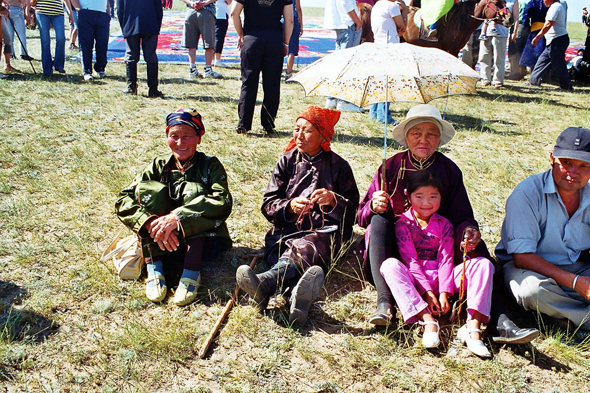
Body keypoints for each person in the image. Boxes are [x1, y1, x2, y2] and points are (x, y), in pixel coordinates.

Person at [357, 104, 539, 344]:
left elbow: (462, 214)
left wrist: (469, 231)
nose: (423, 140)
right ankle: (385, 303)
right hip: (398, 248)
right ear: (406, 137)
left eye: (431, 133)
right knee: (378, 222)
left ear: (439, 138)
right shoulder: (390, 167)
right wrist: (373, 205)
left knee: (478, 249)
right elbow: (360, 216)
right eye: (416, 133)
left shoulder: (449, 170)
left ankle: (498, 320)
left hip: (440, 243)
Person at [236, 106, 360, 324]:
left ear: (323, 135)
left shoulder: (339, 166)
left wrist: (333, 200)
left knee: (308, 245)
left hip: (324, 234)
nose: (299, 135)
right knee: (283, 250)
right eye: (296, 129)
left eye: (307, 130)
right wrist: (289, 206)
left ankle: (266, 283)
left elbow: (354, 212)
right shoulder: (286, 161)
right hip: (286, 230)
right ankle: (295, 296)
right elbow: (268, 204)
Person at [115, 109, 233, 306]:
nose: (180, 142)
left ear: (199, 138)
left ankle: (191, 273)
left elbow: (223, 201)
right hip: (160, 242)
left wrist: (178, 218)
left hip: (203, 244)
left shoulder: (210, 165)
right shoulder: (159, 165)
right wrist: (152, 222)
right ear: (167, 136)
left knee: (195, 192)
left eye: (187, 136)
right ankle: (155, 267)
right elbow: (123, 199)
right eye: (174, 136)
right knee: (150, 190)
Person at [381, 170, 494, 356]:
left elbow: (446, 259)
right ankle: (427, 319)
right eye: (419, 196)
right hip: (416, 281)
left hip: (443, 278)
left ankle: (473, 328)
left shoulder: (445, 224)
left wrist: (443, 293)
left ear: (442, 197)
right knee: (389, 265)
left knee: (483, 264)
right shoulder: (402, 224)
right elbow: (411, 262)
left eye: (433, 196)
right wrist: (427, 294)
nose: (426, 203)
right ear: (408, 196)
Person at [497, 127, 590, 333]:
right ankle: (581, 318)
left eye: (583, 165)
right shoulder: (527, 193)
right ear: (552, 158)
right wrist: (575, 283)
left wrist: (579, 279)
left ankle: (562, 316)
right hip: (530, 270)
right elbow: (522, 257)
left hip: (578, 267)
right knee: (533, 291)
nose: (573, 173)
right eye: (566, 163)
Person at [231, 0, 293, 134]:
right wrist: (285, 43)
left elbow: (234, 13)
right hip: (274, 39)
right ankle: (268, 123)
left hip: (252, 38)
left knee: (248, 83)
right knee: (272, 83)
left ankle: (244, 124)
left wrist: (241, 34)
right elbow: (289, 20)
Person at [367, 0, 406, 125]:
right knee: (388, 82)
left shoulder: (378, 5)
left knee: (379, 81)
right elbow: (402, 25)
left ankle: (374, 112)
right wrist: (404, 9)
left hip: (379, 44)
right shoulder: (392, 6)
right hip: (390, 47)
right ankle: (384, 115)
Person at [116, 0, 163, 97]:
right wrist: (156, 26)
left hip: (130, 23)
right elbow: (159, 8)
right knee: (151, 56)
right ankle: (153, 89)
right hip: (150, 23)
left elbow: (120, 10)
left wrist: (124, 27)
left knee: (131, 55)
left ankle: (131, 87)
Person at [323, 0, 362, 112]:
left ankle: (332, 98)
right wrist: (357, 22)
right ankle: (343, 100)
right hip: (347, 24)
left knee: (338, 64)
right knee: (347, 64)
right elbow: (346, 3)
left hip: (339, 24)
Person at [528, 0, 572, 90]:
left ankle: (566, 86)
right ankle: (533, 81)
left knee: (559, 63)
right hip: (553, 40)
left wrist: (537, 37)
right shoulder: (555, 6)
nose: (543, 1)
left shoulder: (555, 6)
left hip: (557, 39)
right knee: (542, 61)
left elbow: (548, 24)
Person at [478, 0, 518, 88]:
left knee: (499, 58)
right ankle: (485, 79)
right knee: (484, 56)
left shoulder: (512, 1)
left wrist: (514, 32)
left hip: (502, 32)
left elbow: (516, 18)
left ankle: (498, 80)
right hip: (486, 32)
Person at [180, 0, 222, 79]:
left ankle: (192, 68)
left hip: (191, 12)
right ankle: (208, 69)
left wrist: (191, 3)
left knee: (191, 44)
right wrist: (204, 3)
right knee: (209, 42)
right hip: (207, 11)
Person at [71, 0, 111, 81]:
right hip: (86, 12)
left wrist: (108, 13)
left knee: (102, 43)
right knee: (86, 45)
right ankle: (87, 71)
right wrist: (79, 10)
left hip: (102, 14)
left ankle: (100, 69)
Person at [36, 0, 74, 76]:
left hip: (58, 13)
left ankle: (58, 65)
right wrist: (27, 10)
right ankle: (47, 69)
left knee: (61, 38)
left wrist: (70, 12)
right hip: (42, 12)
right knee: (45, 41)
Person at [519, 0, 547, 70]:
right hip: (549, 29)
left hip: (536, 30)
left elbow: (526, 15)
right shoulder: (553, 2)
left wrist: (526, 25)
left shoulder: (533, 2)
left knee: (533, 53)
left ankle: (534, 73)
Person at [507, 0, 529, 80]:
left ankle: (516, 73)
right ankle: (522, 70)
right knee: (521, 50)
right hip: (526, 27)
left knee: (515, 50)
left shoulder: (517, 2)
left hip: (518, 26)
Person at [284, 0, 302, 80]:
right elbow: (298, 8)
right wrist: (301, 24)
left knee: (276, 47)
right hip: (293, 18)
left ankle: (272, 72)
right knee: (291, 49)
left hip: (281, 18)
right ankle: (288, 73)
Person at [213, 0, 231, 68]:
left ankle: (212, 59)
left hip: (210, 13)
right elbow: (229, 1)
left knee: (212, 36)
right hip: (221, 13)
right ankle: (217, 59)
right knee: (219, 37)